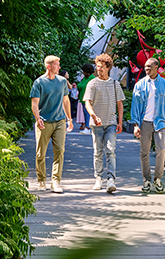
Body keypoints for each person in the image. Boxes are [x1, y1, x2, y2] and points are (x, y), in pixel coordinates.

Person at [130, 57, 165, 194]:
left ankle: (158, 178)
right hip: (145, 122)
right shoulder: (139, 85)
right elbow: (135, 107)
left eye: (149, 66)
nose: (147, 69)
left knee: (161, 150)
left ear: (157, 68)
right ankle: (146, 179)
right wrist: (135, 125)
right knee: (144, 152)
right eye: (145, 67)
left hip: (160, 122)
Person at [30, 55, 73, 193]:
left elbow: (66, 101)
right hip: (44, 121)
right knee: (40, 153)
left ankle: (56, 181)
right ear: (49, 66)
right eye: (57, 64)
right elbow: (34, 103)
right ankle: (42, 180)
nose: (59, 67)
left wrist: (69, 119)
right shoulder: (39, 82)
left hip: (60, 120)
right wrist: (38, 118)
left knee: (59, 150)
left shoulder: (62, 81)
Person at [83, 53, 125, 193]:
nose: (98, 69)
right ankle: (98, 178)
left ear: (108, 67)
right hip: (96, 124)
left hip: (111, 122)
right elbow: (87, 103)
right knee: (97, 151)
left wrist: (120, 122)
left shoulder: (115, 84)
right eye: (97, 67)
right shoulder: (92, 83)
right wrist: (93, 115)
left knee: (110, 150)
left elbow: (119, 104)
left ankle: (111, 179)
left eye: (101, 67)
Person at [76, 63, 95, 134]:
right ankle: (87, 127)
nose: (83, 73)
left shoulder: (92, 79)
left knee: (87, 113)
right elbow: (79, 86)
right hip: (83, 99)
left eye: (84, 71)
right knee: (85, 113)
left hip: (89, 99)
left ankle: (87, 127)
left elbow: (81, 86)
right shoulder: (85, 78)